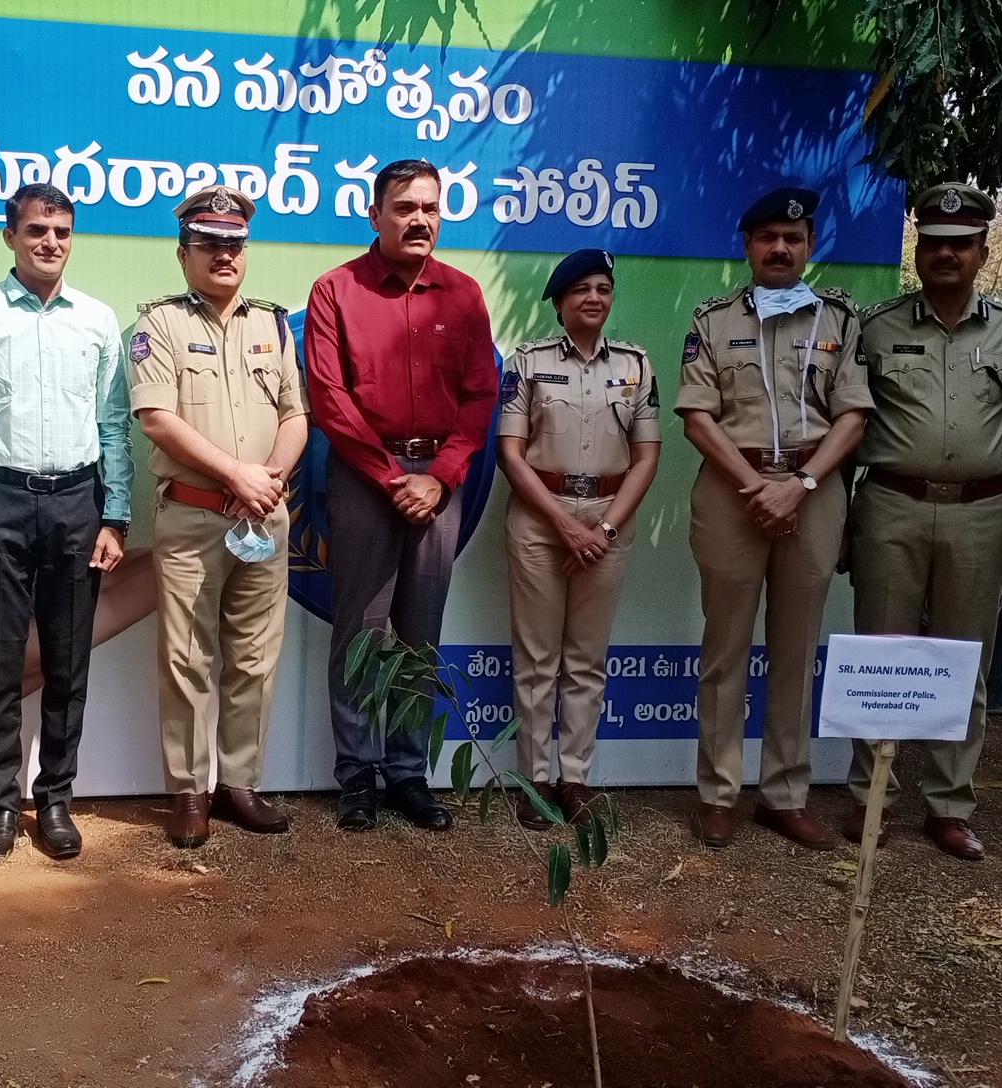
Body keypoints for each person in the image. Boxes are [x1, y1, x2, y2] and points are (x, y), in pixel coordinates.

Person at [0, 183, 133, 863]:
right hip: (0, 501)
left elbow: (112, 428)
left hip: (78, 503)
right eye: (37, 229)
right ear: (10, 236)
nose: (51, 242)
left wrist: (117, 515)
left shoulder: (97, 320)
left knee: (69, 662)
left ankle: (55, 801)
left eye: (62, 232)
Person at [844, 184, 1002, 861]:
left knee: (967, 662)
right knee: (880, 654)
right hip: (891, 503)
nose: (946, 254)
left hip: (985, 509)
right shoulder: (879, 325)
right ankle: (872, 796)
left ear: (983, 252)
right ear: (918, 251)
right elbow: (852, 425)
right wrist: (843, 522)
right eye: (933, 243)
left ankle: (951, 805)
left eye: (961, 244)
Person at [305, 158, 499, 833]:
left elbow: (481, 395)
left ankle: (408, 773)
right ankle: (357, 773)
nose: (420, 219)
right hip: (364, 481)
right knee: (360, 630)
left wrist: (439, 475)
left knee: (421, 637)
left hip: (438, 483)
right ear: (376, 215)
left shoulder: (463, 294)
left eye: (431, 208)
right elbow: (329, 396)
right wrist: (390, 477)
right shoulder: (336, 290)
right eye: (405, 207)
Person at [676, 186, 872, 850]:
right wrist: (757, 485)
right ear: (748, 247)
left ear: (809, 245)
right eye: (767, 238)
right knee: (725, 650)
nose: (780, 248)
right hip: (733, 492)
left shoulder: (840, 319)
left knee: (796, 650)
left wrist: (803, 484)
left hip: (815, 494)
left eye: (792, 238)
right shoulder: (712, 319)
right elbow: (698, 418)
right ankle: (719, 792)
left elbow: (853, 416)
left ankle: (785, 793)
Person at [129, 186, 309, 848]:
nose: (225, 253)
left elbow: (296, 415)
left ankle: (240, 784)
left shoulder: (272, 325)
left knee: (255, 657)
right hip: (192, 518)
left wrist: (269, 481)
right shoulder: (160, 325)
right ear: (185, 254)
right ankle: (188, 789)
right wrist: (234, 474)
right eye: (210, 243)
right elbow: (157, 417)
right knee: (185, 659)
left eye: (235, 243)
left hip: (262, 516)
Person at [498, 249, 661, 830]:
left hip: (608, 519)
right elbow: (510, 454)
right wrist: (566, 525)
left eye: (603, 288)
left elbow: (647, 457)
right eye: (580, 290)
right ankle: (533, 782)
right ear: (560, 303)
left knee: (587, 661)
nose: (593, 298)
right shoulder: (528, 361)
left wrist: (605, 527)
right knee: (538, 659)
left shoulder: (637, 366)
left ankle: (575, 780)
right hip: (541, 520)